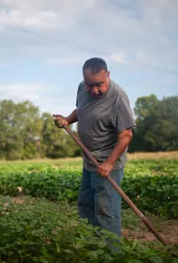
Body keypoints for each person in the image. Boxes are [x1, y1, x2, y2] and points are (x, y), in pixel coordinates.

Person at [53, 57, 136, 242]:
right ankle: (90, 246)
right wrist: (67, 120)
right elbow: (81, 109)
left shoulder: (118, 97)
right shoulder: (83, 88)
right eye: (89, 85)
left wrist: (109, 163)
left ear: (108, 75)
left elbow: (126, 135)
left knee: (106, 212)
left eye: (99, 85)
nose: (94, 90)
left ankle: (110, 253)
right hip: (89, 161)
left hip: (107, 165)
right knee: (86, 205)